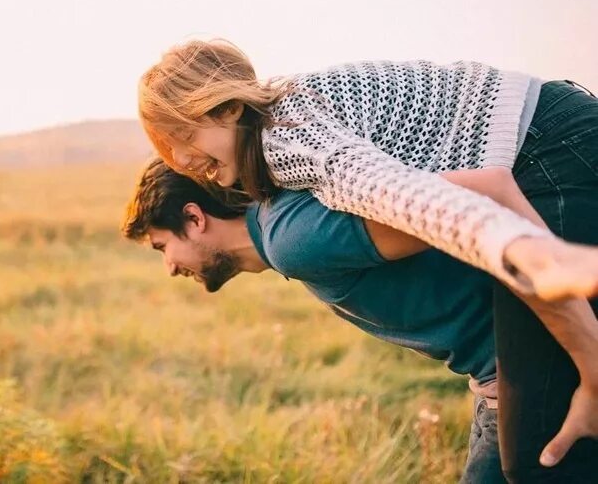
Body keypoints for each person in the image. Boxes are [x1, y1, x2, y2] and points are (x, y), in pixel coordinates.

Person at [136, 41, 598, 481]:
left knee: (538, 463)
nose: (179, 158)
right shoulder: (276, 159)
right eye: (167, 149)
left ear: (227, 107)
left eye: (182, 135)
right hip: (544, 129)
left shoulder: (293, 151)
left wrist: (534, 255)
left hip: (547, 146)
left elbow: (398, 192)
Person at [121, 158, 504, 482]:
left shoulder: (293, 241)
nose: (169, 267)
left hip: (520, 369)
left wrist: (538, 347)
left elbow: (469, 200)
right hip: (500, 375)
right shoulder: (285, 231)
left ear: (194, 218)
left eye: (162, 247)